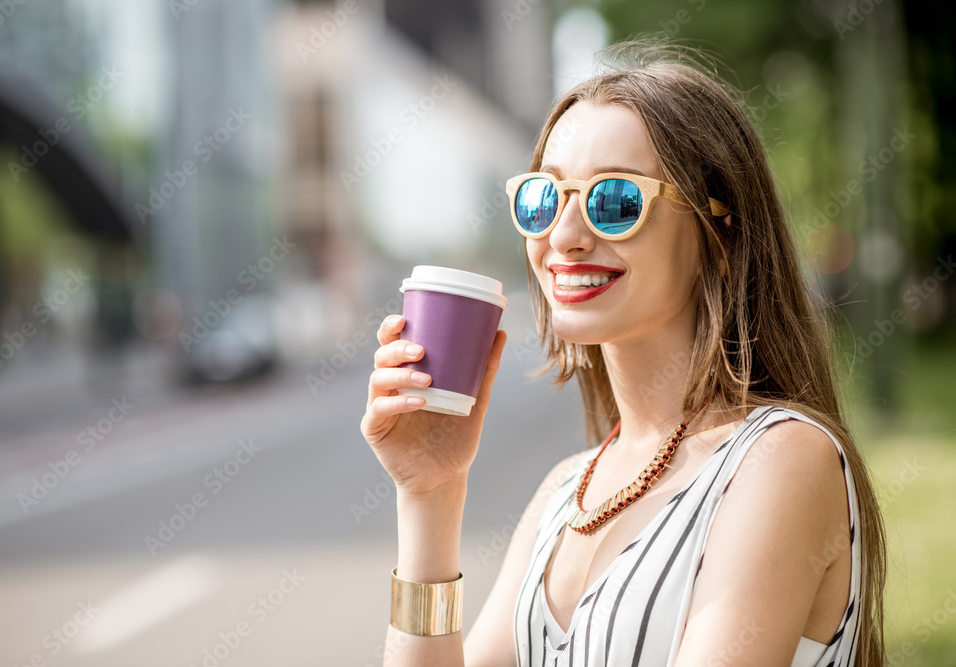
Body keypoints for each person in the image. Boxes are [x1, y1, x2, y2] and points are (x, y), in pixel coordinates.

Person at [360, 40, 885, 667]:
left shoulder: (781, 460)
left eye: (615, 201)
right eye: (543, 199)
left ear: (720, 232)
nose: (565, 236)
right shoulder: (564, 492)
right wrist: (430, 495)